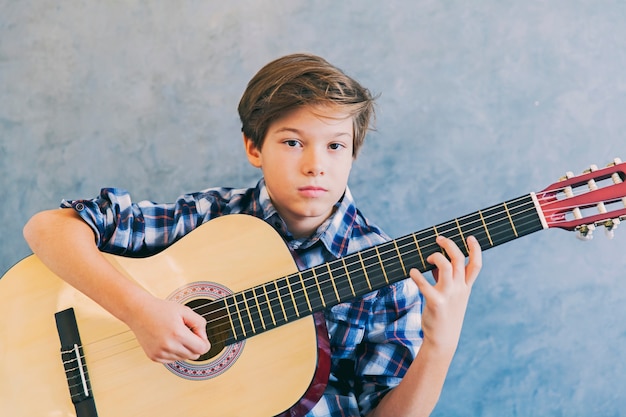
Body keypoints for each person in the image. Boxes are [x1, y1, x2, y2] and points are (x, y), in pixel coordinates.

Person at [23, 53, 482, 417]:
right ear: (253, 147)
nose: (315, 164)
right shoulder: (212, 219)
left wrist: (440, 344)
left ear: (353, 154)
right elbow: (46, 229)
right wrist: (141, 312)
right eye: (292, 141)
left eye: (335, 145)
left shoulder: (387, 269)